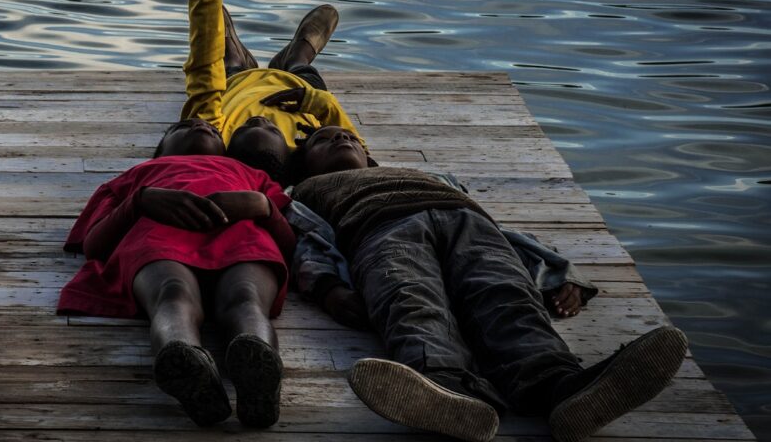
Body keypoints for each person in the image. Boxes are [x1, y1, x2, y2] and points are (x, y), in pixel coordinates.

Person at [286, 125, 689, 442]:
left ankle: (558, 386)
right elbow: (309, 237)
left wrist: (560, 273)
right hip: (381, 232)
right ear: (306, 163)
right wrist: (326, 288)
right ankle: (445, 389)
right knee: (410, 298)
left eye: (348, 137)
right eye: (323, 140)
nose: (340, 137)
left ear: (368, 155)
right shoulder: (305, 189)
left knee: (505, 294)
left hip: (469, 224)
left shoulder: (425, 174)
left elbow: (512, 235)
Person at [57, 118, 296, 428]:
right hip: (158, 234)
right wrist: (140, 201)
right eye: (185, 125)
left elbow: (290, 243)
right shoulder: (135, 177)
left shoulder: (254, 175)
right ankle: (185, 358)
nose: (203, 125)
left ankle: (258, 363)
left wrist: (262, 205)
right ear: (161, 149)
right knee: (172, 294)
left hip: (241, 234)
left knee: (245, 299)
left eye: (213, 128)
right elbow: (93, 244)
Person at [182, 0, 369, 181]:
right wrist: (311, 99)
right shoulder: (318, 152)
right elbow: (349, 139)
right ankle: (296, 57)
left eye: (246, 126)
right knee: (303, 74)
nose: (261, 119)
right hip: (299, 90)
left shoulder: (216, 132)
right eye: (272, 128)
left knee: (225, 63)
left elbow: (203, 66)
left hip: (236, 85)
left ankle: (234, 53)